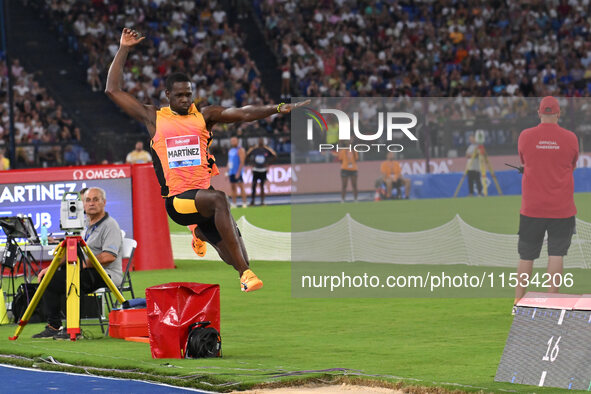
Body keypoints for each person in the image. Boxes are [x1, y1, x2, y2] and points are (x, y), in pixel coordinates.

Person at [105, 28, 308, 292]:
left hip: (203, 196)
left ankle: (209, 240)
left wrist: (278, 108)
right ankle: (245, 274)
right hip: (178, 201)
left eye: (188, 94)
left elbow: (244, 113)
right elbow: (112, 90)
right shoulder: (154, 118)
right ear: (167, 95)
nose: (185, 99)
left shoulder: (204, 116)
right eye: (179, 95)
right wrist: (124, 48)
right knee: (220, 200)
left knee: (237, 252)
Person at [514, 96, 579, 309]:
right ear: (558, 113)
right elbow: (572, 165)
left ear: (539, 113)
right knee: (556, 255)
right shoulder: (570, 138)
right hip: (561, 208)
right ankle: (551, 301)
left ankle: (519, 301)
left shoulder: (525, 136)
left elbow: (524, 161)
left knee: (526, 256)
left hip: (532, 208)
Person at [33, 187, 123, 339]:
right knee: (50, 278)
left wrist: (84, 264)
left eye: (96, 199)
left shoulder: (110, 225)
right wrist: (49, 268)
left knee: (72, 280)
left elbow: (109, 256)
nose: (91, 203)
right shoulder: (84, 225)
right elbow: (70, 252)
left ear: (104, 202)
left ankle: (73, 329)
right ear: (82, 205)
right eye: (87, 200)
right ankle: (54, 326)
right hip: (86, 270)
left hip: (106, 274)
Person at [246, 138, 277, 206]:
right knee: (254, 185)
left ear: (263, 142)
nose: (260, 142)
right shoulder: (255, 149)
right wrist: (251, 163)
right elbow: (247, 155)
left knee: (262, 186)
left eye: (261, 141)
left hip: (263, 169)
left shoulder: (266, 149)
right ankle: (252, 201)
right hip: (255, 169)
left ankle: (262, 201)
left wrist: (268, 164)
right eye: (259, 141)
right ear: (258, 142)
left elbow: (274, 155)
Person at [227, 136, 248, 208]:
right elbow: (229, 161)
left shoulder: (240, 150)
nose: (233, 142)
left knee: (241, 187)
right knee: (233, 188)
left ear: (237, 141)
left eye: (234, 141)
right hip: (231, 171)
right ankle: (234, 203)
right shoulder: (231, 150)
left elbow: (242, 162)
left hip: (237, 172)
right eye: (232, 141)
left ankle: (244, 203)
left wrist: (238, 172)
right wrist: (227, 171)